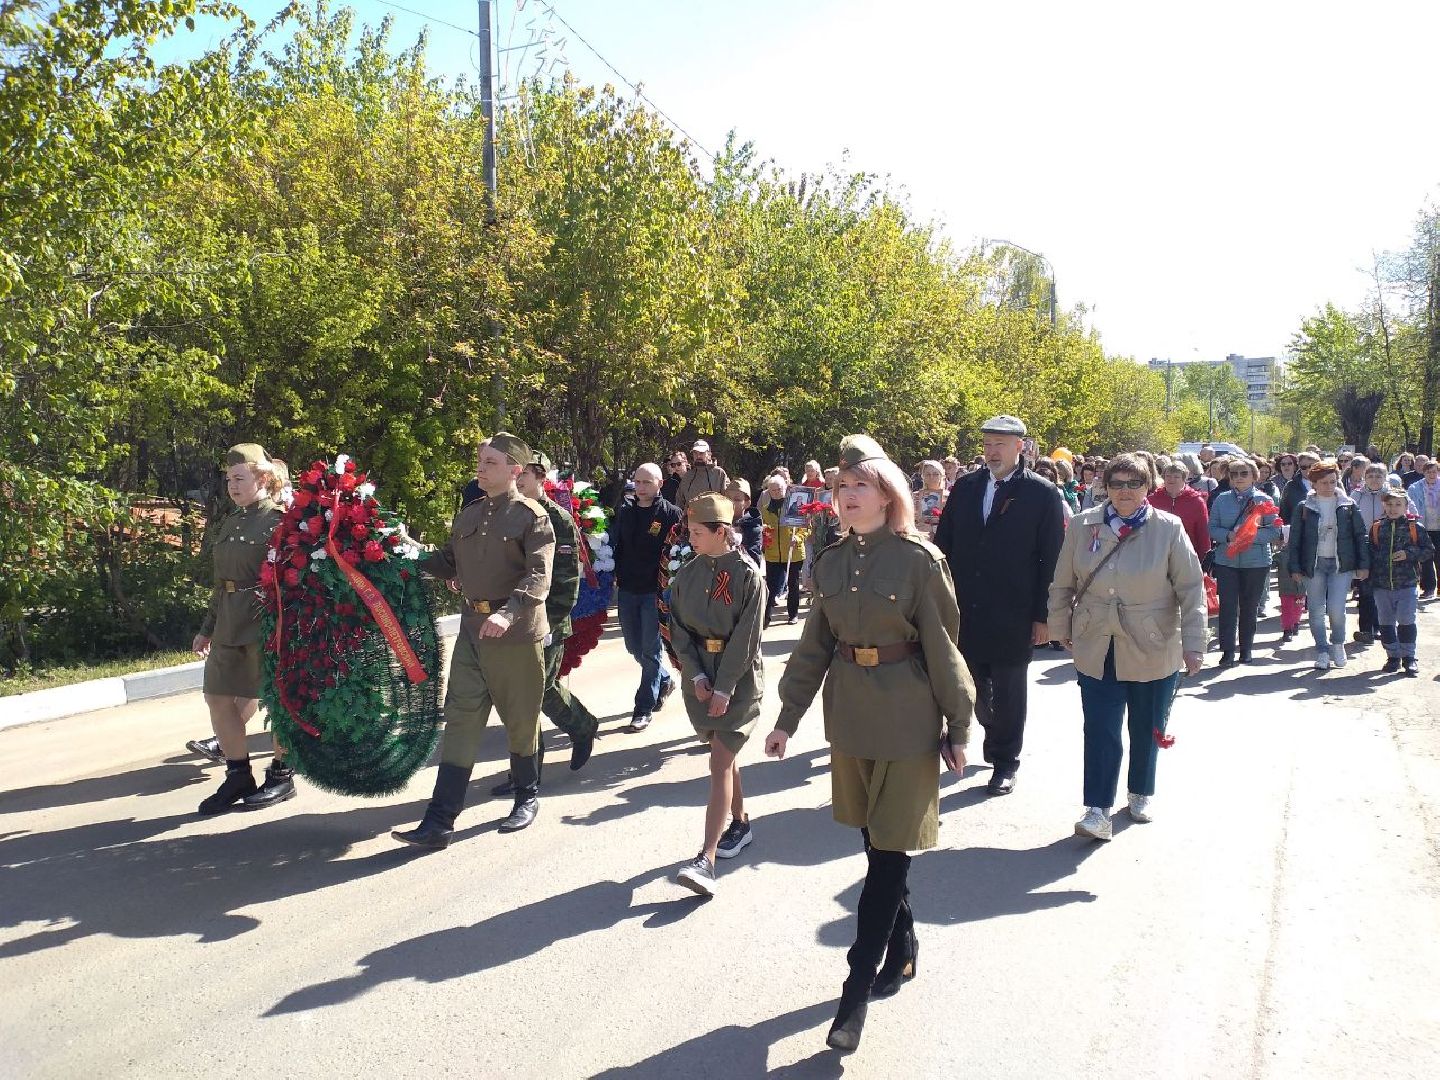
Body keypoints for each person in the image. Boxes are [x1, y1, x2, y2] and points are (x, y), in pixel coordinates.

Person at [766, 434, 975, 1053]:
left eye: (860, 486)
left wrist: (958, 727)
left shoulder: (919, 561)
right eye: (840, 487)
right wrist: (786, 718)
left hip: (909, 720)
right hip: (851, 721)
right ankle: (903, 947)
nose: (847, 496)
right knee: (876, 848)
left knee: (887, 861)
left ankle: (853, 993)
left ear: (889, 495)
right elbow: (812, 649)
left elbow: (944, 648)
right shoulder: (829, 562)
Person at [392, 433, 554, 849]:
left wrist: (509, 611)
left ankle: (526, 796)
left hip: (514, 634)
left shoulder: (532, 516)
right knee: (461, 718)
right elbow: (447, 562)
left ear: (516, 470)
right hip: (471, 632)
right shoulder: (468, 516)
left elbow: (539, 575)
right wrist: (402, 548)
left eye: (491, 463)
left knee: (520, 719)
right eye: (480, 462)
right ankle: (439, 821)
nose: (481, 469)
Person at [1048, 453, 1205, 841]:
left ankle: (1140, 791)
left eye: (1133, 483)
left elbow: (1191, 589)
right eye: (1116, 483)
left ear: (1148, 486)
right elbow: (1062, 583)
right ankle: (1097, 809)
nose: (1124, 491)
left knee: (1146, 725)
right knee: (1100, 728)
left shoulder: (1168, 528)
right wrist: (1059, 626)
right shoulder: (1084, 525)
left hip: (1153, 642)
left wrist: (1195, 644)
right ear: (1105, 486)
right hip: (1096, 642)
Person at [933, 415, 1064, 796]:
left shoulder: (1041, 493)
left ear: (1020, 447)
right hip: (966, 608)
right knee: (971, 685)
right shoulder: (966, 487)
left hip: (1015, 612)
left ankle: (1005, 762)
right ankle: (990, 729)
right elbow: (945, 545)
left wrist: (1043, 617)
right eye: (988, 444)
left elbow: (1050, 560)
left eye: (1000, 445)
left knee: (1009, 692)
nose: (992, 452)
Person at [669, 493, 767, 896]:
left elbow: (746, 639)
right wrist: (694, 676)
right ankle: (740, 824)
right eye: (689, 531)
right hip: (701, 679)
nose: (689, 538)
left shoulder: (748, 577)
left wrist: (725, 686)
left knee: (718, 762)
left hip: (737, 680)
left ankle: (706, 859)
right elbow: (677, 629)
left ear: (721, 532)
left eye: (696, 532)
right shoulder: (687, 575)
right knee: (723, 756)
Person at [490, 451, 597, 790]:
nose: (519, 479)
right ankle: (527, 770)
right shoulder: (505, 514)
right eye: (516, 472)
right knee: (522, 698)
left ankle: (577, 730)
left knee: (534, 695)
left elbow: (567, 580)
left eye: (528, 473)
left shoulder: (558, 519)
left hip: (546, 622)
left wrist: (549, 623)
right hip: (511, 621)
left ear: (541, 477)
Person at [192, 444, 290, 814]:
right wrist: (207, 628)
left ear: (263, 478)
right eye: (229, 479)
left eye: (239, 478)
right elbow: (223, 582)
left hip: (266, 621)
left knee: (277, 700)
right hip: (229, 622)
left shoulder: (280, 521)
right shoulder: (230, 523)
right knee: (217, 696)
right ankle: (238, 775)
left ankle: (281, 774)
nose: (231, 486)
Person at [612, 463, 682, 731]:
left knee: (650, 650)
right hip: (628, 590)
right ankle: (663, 679)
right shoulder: (626, 512)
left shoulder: (670, 515)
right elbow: (616, 544)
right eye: (637, 482)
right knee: (634, 647)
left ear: (660, 484)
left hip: (654, 592)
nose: (641, 488)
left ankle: (643, 708)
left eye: (647, 483)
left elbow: (678, 552)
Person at [1287, 462, 1370, 671]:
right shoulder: (1304, 507)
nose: (1329, 486)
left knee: (1336, 608)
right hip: (1313, 564)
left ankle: (1338, 644)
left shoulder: (1348, 504)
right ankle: (1322, 650)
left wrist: (1363, 564)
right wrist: (1294, 567)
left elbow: (1360, 536)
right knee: (1316, 609)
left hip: (1340, 564)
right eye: (1323, 482)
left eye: (1332, 481)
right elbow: (1295, 539)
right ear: (1313, 483)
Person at [1207, 460, 1282, 666]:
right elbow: (1212, 528)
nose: (1238, 477)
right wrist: (1229, 535)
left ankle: (1246, 649)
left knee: (1249, 607)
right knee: (1228, 607)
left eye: (1243, 473)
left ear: (1253, 476)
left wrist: (1249, 536)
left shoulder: (1264, 499)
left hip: (1256, 562)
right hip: (1227, 561)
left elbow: (1275, 531)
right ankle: (1228, 651)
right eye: (1234, 474)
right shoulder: (1221, 500)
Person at [1369, 487, 1433, 675]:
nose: (1393, 508)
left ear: (1406, 506)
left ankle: (1409, 657)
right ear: (1384, 506)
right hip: (1381, 585)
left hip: (1407, 583)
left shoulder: (1415, 527)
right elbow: (1370, 552)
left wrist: (1408, 554)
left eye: (1398, 504)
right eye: (1389, 504)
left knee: (1406, 619)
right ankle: (1393, 656)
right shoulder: (1377, 527)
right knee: (1386, 622)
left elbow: (1428, 550)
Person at [760, 474, 807, 626]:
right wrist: (765, 532)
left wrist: (798, 538)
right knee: (770, 587)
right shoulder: (766, 510)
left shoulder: (795, 507)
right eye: (772, 490)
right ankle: (765, 618)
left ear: (785, 488)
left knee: (793, 585)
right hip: (773, 553)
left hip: (793, 553)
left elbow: (806, 528)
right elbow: (764, 528)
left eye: (778, 489)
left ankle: (793, 615)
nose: (775, 492)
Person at [1149, 461, 1211, 560]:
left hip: (1186, 555)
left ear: (1184, 479)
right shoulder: (1152, 500)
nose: (1171, 479)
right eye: (1168, 476)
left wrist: (1204, 560)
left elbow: (1203, 533)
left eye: (1176, 477)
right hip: (1157, 555)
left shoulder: (1196, 502)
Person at [1406, 459, 1440, 599]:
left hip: (1438, 527)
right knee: (1426, 558)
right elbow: (1411, 507)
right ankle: (1428, 588)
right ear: (1424, 472)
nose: (1432, 474)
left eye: (1434, 471)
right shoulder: (1415, 488)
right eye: (1428, 472)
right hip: (1423, 527)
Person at [674, 439, 730, 508]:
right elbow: (679, 501)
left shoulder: (719, 474)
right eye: (695, 453)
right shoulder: (688, 476)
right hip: (692, 518)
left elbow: (728, 499)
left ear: (709, 454)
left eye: (701, 453)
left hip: (714, 517)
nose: (698, 456)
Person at [726, 478, 763, 566]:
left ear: (747, 503)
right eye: (727, 498)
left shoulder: (753, 527)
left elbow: (754, 561)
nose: (731, 502)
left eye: (737, 499)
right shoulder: (719, 523)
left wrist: (736, 542)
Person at [1278, 451, 1319, 526]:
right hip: (1300, 531)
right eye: (1304, 467)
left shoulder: (1332, 482)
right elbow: (1284, 513)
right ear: (1299, 467)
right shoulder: (1290, 486)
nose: (1308, 470)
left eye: (1311, 466)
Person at [911, 459, 948, 538]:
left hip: (942, 537)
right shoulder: (915, 496)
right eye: (928, 474)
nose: (931, 477)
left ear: (941, 476)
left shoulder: (950, 497)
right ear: (923, 476)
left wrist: (933, 528)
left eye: (935, 474)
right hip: (920, 536)